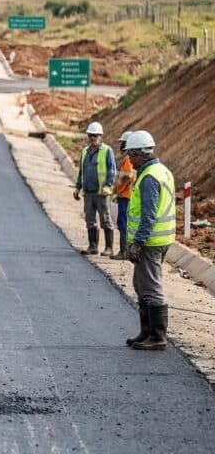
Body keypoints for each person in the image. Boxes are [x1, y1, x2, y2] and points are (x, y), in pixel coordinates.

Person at [123, 130, 175, 351]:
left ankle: (157, 336)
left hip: (150, 242)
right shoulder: (161, 171)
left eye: (130, 155)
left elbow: (149, 214)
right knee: (140, 284)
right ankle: (146, 332)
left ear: (139, 154)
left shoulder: (149, 177)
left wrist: (138, 242)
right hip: (157, 240)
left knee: (151, 287)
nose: (129, 160)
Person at [74, 121, 116, 256]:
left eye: (95, 136)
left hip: (102, 193)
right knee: (90, 220)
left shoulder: (107, 151)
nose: (92, 138)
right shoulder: (85, 151)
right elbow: (82, 171)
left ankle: (109, 248)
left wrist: (108, 185)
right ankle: (93, 246)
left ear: (100, 136)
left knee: (106, 220)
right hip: (88, 193)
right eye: (90, 135)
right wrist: (77, 187)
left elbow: (112, 170)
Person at [111, 130, 137, 260]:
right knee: (125, 223)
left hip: (125, 196)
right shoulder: (131, 159)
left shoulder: (127, 159)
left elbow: (126, 178)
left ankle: (124, 252)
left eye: (122, 143)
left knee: (123, 224)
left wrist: (116, 191)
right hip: (128, 195)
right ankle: (126, 251)